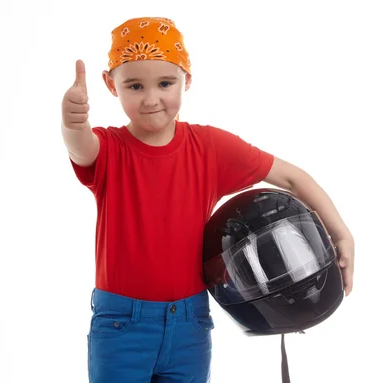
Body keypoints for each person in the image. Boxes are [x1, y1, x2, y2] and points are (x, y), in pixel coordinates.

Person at [61, 16, 354, 383]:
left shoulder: (210, 148)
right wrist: (73, 125)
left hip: (189, 324)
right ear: (111, 84)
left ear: (187, 79)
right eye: (134, 85)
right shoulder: (109, 149)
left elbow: (293, 178)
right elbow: (81, 147)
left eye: (165, 83)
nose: (151, 99)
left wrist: (341, 233)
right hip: (122, 324)